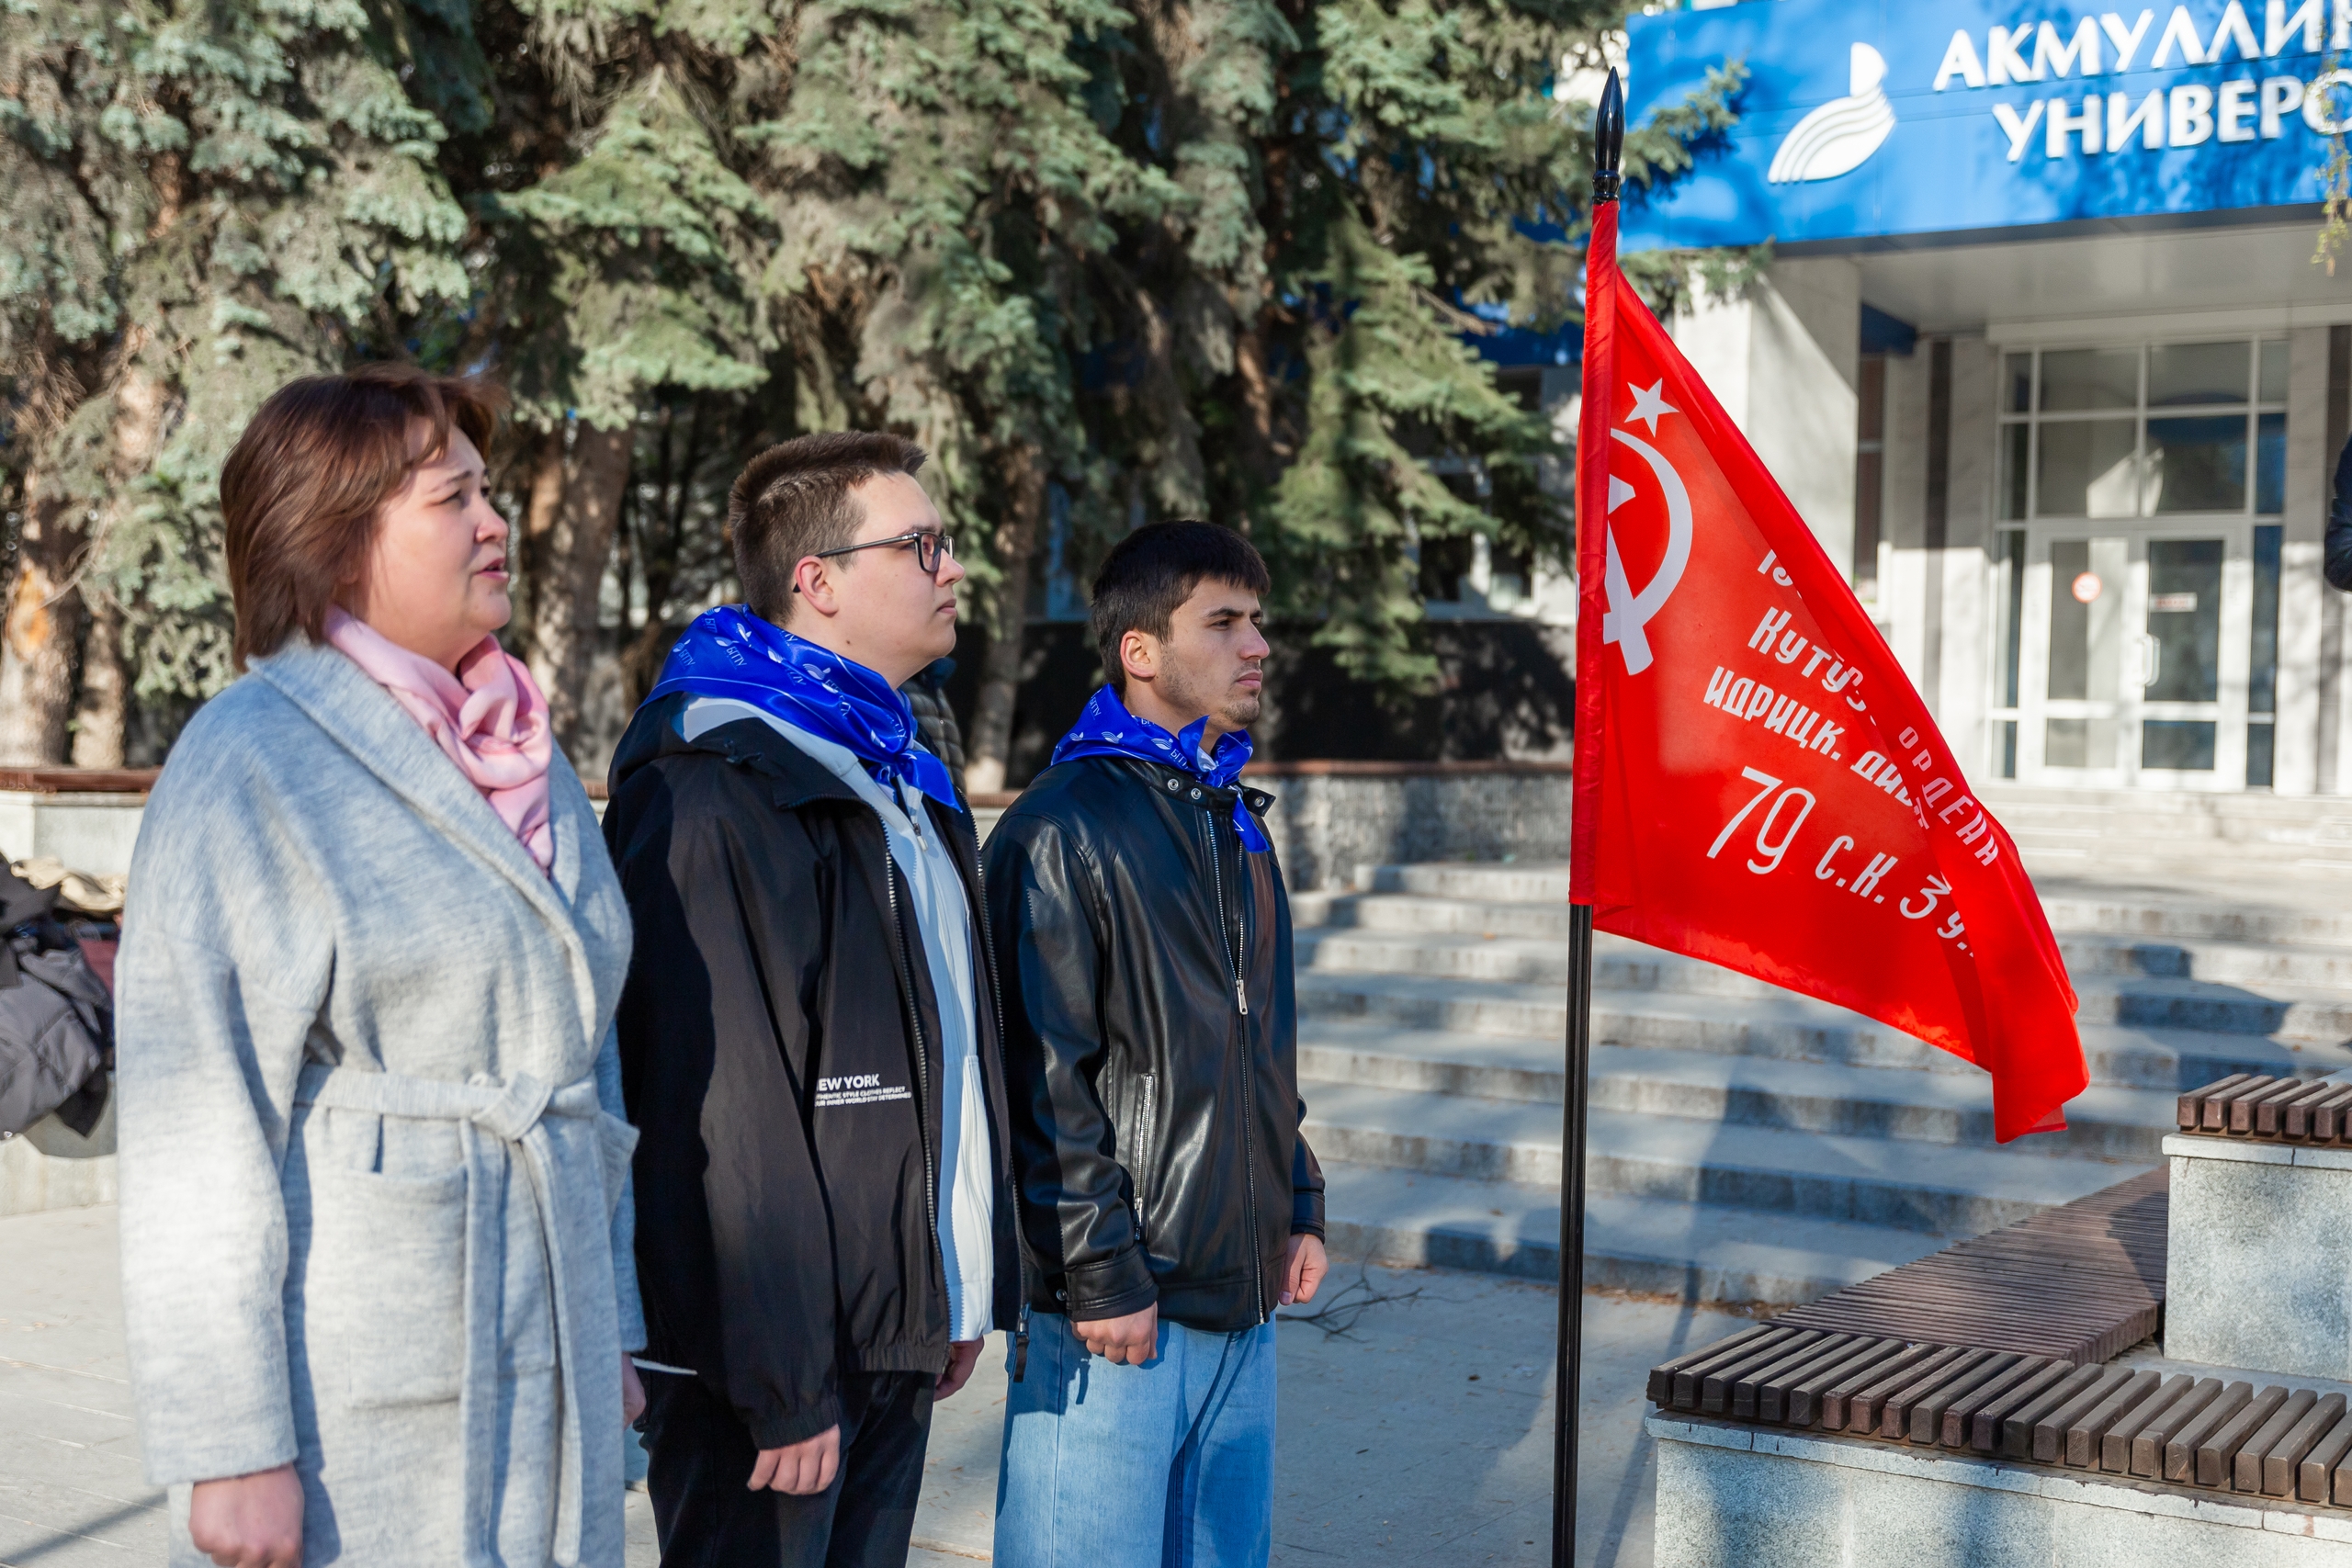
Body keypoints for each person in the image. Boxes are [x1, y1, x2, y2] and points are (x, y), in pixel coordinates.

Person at [114, 364, 646, 1568]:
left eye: (489, 491)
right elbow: (196, 1130)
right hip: (365, 1380)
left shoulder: (524, 753)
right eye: (453, 498)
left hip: (550, 1336)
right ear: (335, 540)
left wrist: (609, 1314)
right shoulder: (250, 759)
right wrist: (231, 1445)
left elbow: (585, 1060)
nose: (496, 522)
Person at [604, 431, 1019, 1568]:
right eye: (919, 545)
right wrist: (782, 1377)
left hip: (884, 1328)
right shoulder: (712, 782)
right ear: (817, 581)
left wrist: (951, 1288)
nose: (952, 567)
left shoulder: (896, 773)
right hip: (768, 1364)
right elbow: (718, 1105)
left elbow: (948, 1047)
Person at [983, 520, 1328, 1568]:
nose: (1256, 644)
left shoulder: (1233, 820)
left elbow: (1256, 1044)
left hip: (1244, 1302)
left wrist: (1297, 1199)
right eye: (1222, 622)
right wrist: (1100, 1275)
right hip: (1118, 1316)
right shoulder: (1060, 827)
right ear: (1140, 650)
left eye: (1256, 620)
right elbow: (1041, 1078)